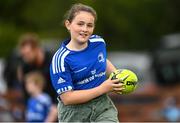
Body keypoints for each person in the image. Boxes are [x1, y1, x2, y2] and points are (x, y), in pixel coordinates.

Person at [50, 3, 124, 122]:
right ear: (68, 25)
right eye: (80, 24)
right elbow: (67, 98)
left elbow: (102, 60)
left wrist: (117, 76)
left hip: (102, 106)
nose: (85, 29)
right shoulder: (60, 59)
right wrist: (103, 88)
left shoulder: (98, 42)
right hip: (74, 113)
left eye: (89, 25)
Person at [17, 32, 58, 121]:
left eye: (27, 53)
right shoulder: (26, 67)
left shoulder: (53, 62)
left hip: (56, 107)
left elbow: (59, 94)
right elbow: (26, 95)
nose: (25, 57)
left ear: (37, 49)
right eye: (23, 54)